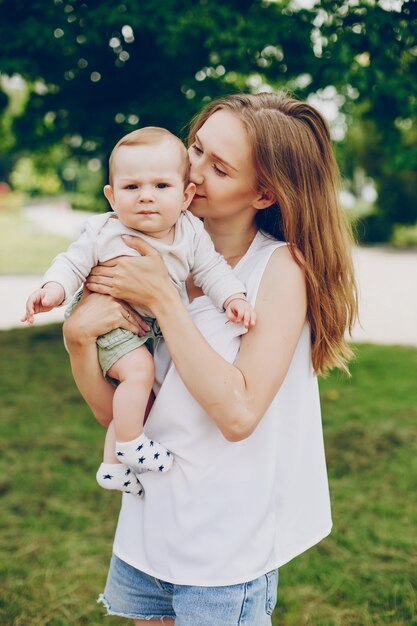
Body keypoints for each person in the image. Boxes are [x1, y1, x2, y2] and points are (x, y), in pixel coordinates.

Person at [63, 91, 358, 626]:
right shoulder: (143, 255)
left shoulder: (279, 271)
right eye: (195, 148)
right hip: (148, 532)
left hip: (223, 552)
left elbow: (239, 414)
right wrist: (78, 341)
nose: (190, 170)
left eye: (217, 167)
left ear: (264, 193)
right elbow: (117, 414)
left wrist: (163, 302)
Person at [22, 127, 255, 498]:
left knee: (139, 394)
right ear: (112, 197)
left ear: (185, 195)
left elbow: (212, 269)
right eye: (132, 188)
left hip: (148, 328)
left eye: (161, 187)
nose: (146, 197)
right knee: (140, 372)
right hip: (110, 324)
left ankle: (113, 467)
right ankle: (129, 445)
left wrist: (233, 298)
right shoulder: (104, 230)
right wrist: (54, 291)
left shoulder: (190, 232)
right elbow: (71, 263)